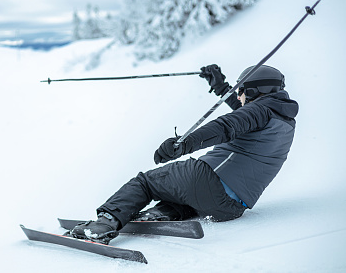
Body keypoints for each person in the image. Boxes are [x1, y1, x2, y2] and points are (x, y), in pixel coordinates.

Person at [69, 64, 299, 244]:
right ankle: (160, 214)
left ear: (254, 90)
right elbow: (243, 115)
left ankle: (103, 224)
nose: (237, 95)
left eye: (241, 91)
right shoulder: (281, 119)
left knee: (146, 182)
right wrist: (221, 86)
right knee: (185, 197)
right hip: (230, 207)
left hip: (207, 178)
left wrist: (183, 145)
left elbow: (227, 126)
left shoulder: (258, 111)